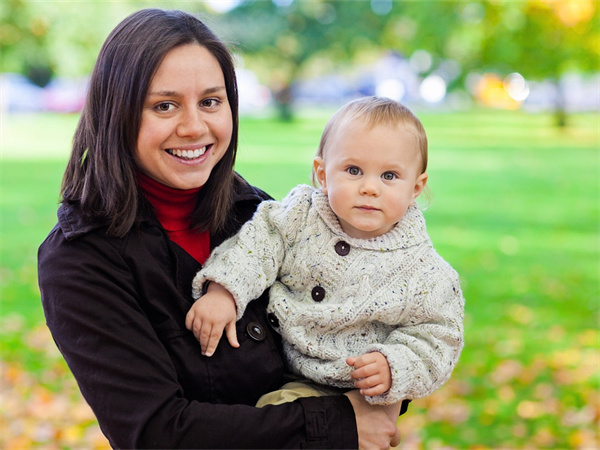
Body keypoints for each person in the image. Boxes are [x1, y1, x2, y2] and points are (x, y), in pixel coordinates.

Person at [37, 9, 403, 449]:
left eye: (211, 101)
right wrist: (340, 423)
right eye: (164, 105)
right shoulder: (80, 260)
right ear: (117, 113)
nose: (194, 127)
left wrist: (390, 375)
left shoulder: (263, 217)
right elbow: (156, 433)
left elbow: (361, 333)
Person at [187, 96, 465, 410]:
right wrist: (225, 290)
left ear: (415, 187)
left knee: (275, 417)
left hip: (355, 390)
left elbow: (438, 336)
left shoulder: (424, 271)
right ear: (322, 173)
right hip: (280, 361)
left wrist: (395, 366)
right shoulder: (300, 216)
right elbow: (257, 246)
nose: (370, 188)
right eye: (354, 170)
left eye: (389, 176)